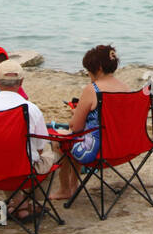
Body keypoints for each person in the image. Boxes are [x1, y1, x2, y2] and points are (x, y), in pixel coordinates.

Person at [0, 61, 56, 216]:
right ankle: (30, 203)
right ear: (21, 82)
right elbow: (39, 146)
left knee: (2, 153)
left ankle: (17, 202)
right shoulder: (30, 108)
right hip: (22, 172)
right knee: (50, 153)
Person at [50, 45, 129, 200]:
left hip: (98, 152)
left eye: (88, 70)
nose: (88, 74)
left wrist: (77, 112)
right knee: (80, 137)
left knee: (61, 140)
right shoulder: (125, 88)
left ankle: (65, 189)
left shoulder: (92, 89)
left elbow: (75, 126)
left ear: (98, 68)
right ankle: (74, 185)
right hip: (123, 147)